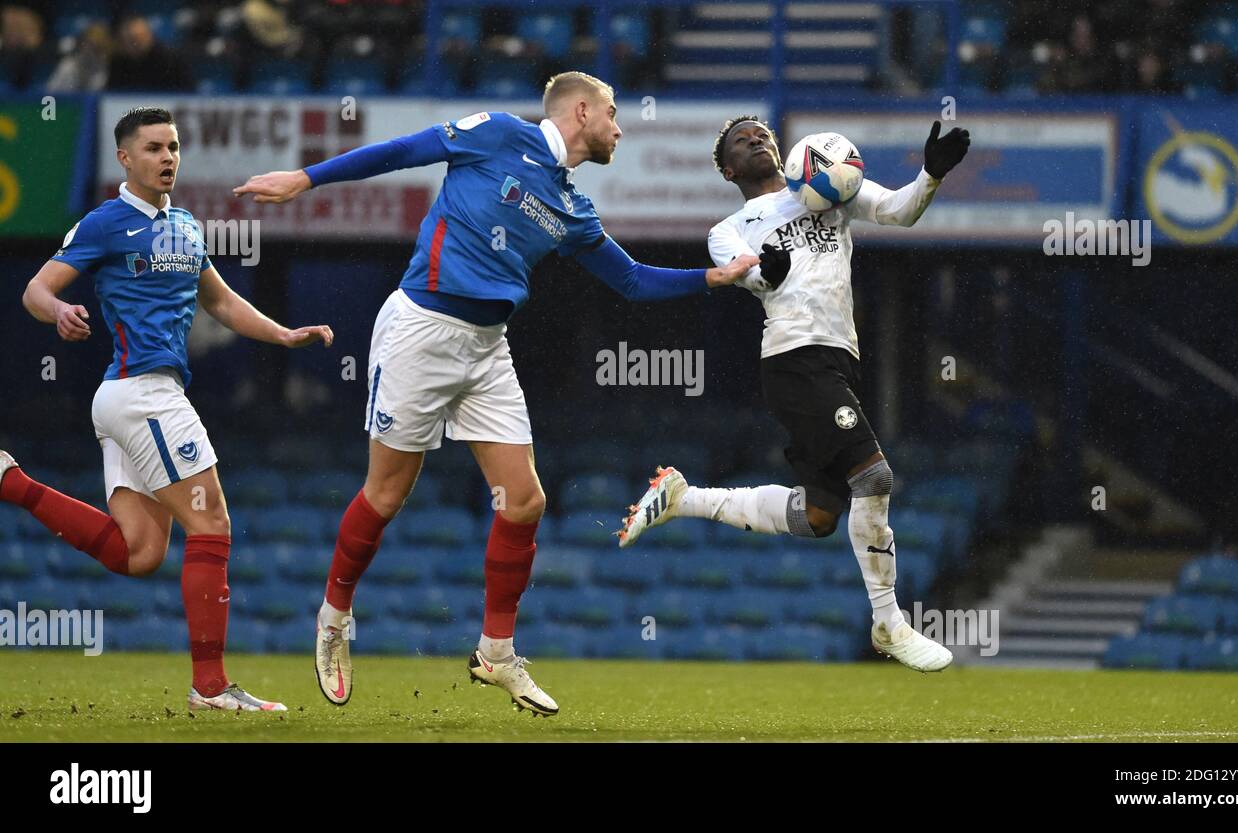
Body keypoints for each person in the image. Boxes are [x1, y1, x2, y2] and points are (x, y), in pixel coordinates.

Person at [233, 71, 757, 715]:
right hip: (421, 332)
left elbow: (633, 283)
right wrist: (305, 178)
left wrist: (716, 277)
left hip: (487, 347)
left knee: (525, 501)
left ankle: (497, 653)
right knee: (387, 492)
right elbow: (403, 151)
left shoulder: (574, 208)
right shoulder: (499, 134)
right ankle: (335, 616)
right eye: (614, 113)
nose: (620, 127)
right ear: (582, 111)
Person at [2, 106, 334, 711]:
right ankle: (210, 687)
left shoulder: (185, 224)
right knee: (212, 525)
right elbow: (36, 290)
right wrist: (60, 312)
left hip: (130, 399)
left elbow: (222, 302)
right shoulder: (105, 223)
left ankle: (12, 482)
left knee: (140, 554)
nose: (168, 158)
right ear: (125, 158)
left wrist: (284, 335)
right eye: (153, 148)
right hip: (144, 393)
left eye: (174, 147)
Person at [618, 116, 970, 672]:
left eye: (762, 132)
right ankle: (888, 623)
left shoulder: (830, 191)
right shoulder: (729, 226)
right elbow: (743, 272)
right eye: (742, 138)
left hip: (839, 359)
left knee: (820, 516)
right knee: (874, 477)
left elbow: (901, 211)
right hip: (793, 359)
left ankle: (684, 498)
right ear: (729, 168)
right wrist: (766, 272)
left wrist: (931, 173)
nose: (757, 137)